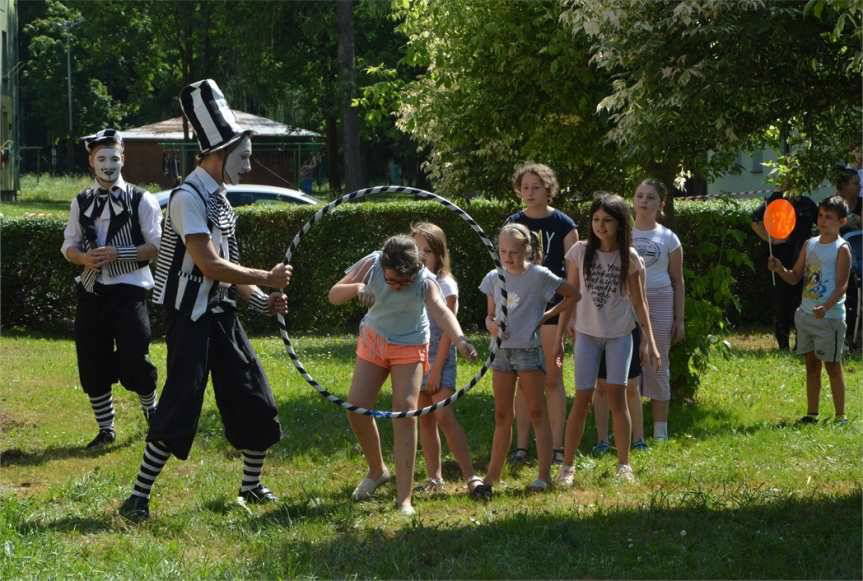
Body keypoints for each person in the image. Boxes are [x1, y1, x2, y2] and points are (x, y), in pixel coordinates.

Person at [119, 79, 292, 522]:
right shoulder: (186, 198)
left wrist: (260, 301)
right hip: (188, 318)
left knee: (255, 396)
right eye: (244, 157)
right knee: (180, 401)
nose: (248, 166)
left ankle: (251, 487)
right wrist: (266, 276)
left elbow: (230, 274)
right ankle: (138, 497)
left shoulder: (220, 202)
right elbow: (209, 264)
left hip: (221, 316)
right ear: (221, 154)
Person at [329, 235, 478, 516]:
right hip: (374, 339)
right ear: (383, 266)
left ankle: (404, 498)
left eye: (403, 283)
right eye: (391, 281)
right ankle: (377, 470)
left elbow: (441, 311)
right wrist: (357, 287)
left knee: (406, 413)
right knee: (357, 408)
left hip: (409, 345)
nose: (397, 286)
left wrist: (460, 340)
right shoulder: (372, 264)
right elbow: (334, 295)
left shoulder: (423, 279)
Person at [61, 128, 162, 449]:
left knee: (136, 359)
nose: (108, 164)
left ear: (123, 159)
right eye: (101, 158)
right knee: (92, 362)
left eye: (114, 158)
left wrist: (121, 253)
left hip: (130, 292)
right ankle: (106, 429)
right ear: (91, 161)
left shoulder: (141, 199)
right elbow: (68, 245)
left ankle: (154, 415)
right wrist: (82, 259)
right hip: (92, 293)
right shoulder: (80, 201)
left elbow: (157, 245)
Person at [557, 194, 660, 487]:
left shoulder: (630, 257)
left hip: (619, 336)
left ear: (619, 224)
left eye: (607, 221)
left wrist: (649, 341)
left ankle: (624, 464)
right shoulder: (579, 251)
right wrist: (560, 336)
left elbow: (641, 304)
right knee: (582, 399)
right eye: (596, 220)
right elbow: (571, 294)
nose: (601, 226)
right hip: (587, 336)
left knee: (618, 398)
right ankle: (567, 466)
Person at [474, 223, 579, 498]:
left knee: (536, 411)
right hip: (502, 352)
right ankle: (492, 475)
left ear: (527, 250)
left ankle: (543, 475)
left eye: (514, 252)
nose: (508, 257)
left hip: (528, 351)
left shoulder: (538, 275)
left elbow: (573, 294)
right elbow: (489, 315)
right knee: (501, 414)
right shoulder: (493, 278)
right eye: (503, 251)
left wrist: (544, 316)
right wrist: (491, 325)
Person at [592, 179, 685, 448]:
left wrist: (679, 318)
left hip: (659, 300)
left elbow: (678, 280)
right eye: (640, 196)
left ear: (661, 204)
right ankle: (614, 431)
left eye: (651, 197)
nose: (644, 201)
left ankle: (660, 430)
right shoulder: (622, 234)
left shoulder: (669, 238)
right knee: (620, 370)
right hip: (624, 303)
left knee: (658, 364)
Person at [504, 163, 578, 466]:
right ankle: (521, 446)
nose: (530, 192)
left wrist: (569, 316)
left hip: (552, 311)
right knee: (523, 380)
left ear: (548, 188)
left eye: (536, 186)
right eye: (525, 187)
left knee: (552, 379)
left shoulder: (564, 224)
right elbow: (504, 269)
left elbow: (574, 276)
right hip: (519, 313)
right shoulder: (513, 222)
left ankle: (558, 447)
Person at [410, 223, 484, 497]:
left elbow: (447, 332)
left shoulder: (446, 285)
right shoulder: (412, 282)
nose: (420, 256)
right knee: (425, 419)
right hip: (416, 356)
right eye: (415, 250)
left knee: (443, 414)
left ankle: (470, 475)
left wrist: (437, 368)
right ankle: (434, 478)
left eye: (426, 251)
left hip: (440, 356)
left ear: (439, 253)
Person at [768, 196, 851, 425]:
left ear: (842, 221)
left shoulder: (841, 248)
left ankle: (840, 415)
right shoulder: (809, 244)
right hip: (806, 316)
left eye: (829, 217)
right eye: (821, 215)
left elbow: (843, 284)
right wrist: (779, 269)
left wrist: (826, 306)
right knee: (812, 366)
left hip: (830, 318)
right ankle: (811, 413)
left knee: (833, 366)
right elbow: (794, 277)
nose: (823, 221)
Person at [751, 184, 818, 350]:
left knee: (801, 301)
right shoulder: (774, 199)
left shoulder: (807, 204)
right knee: (782, 302)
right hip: (781, 259)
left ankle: (800, 343)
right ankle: (783, 344)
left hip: (803, 258)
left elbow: (820, 223)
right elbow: (755, 220)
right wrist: (771, 239)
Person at [835, 168, 861, 349]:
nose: (859, 186)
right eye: (855, 183)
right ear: (843, 185)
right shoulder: (833, 205)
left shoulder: (861, 203)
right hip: (837, 262)